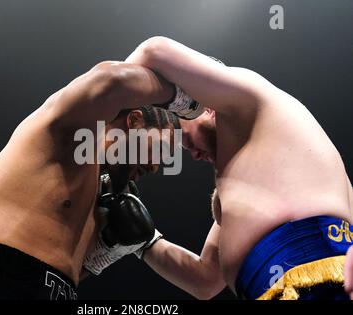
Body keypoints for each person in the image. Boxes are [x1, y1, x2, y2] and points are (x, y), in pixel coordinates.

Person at [0, 61, 183, 300]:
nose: (155, 165)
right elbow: (111, 80)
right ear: (135, 120)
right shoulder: (71, 129)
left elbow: (63, 275)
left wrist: (106, 250)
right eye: (160, 149)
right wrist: (182, 96)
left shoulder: (98, 192)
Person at [123, 36, 353, 300]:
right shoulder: (251, 184)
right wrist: (144, 242)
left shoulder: (252, 97)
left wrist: (111, 120)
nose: (194, 154)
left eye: (187, 140)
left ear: (204, 105)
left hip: (319, 282)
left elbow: (154, 50)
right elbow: (205, 280)